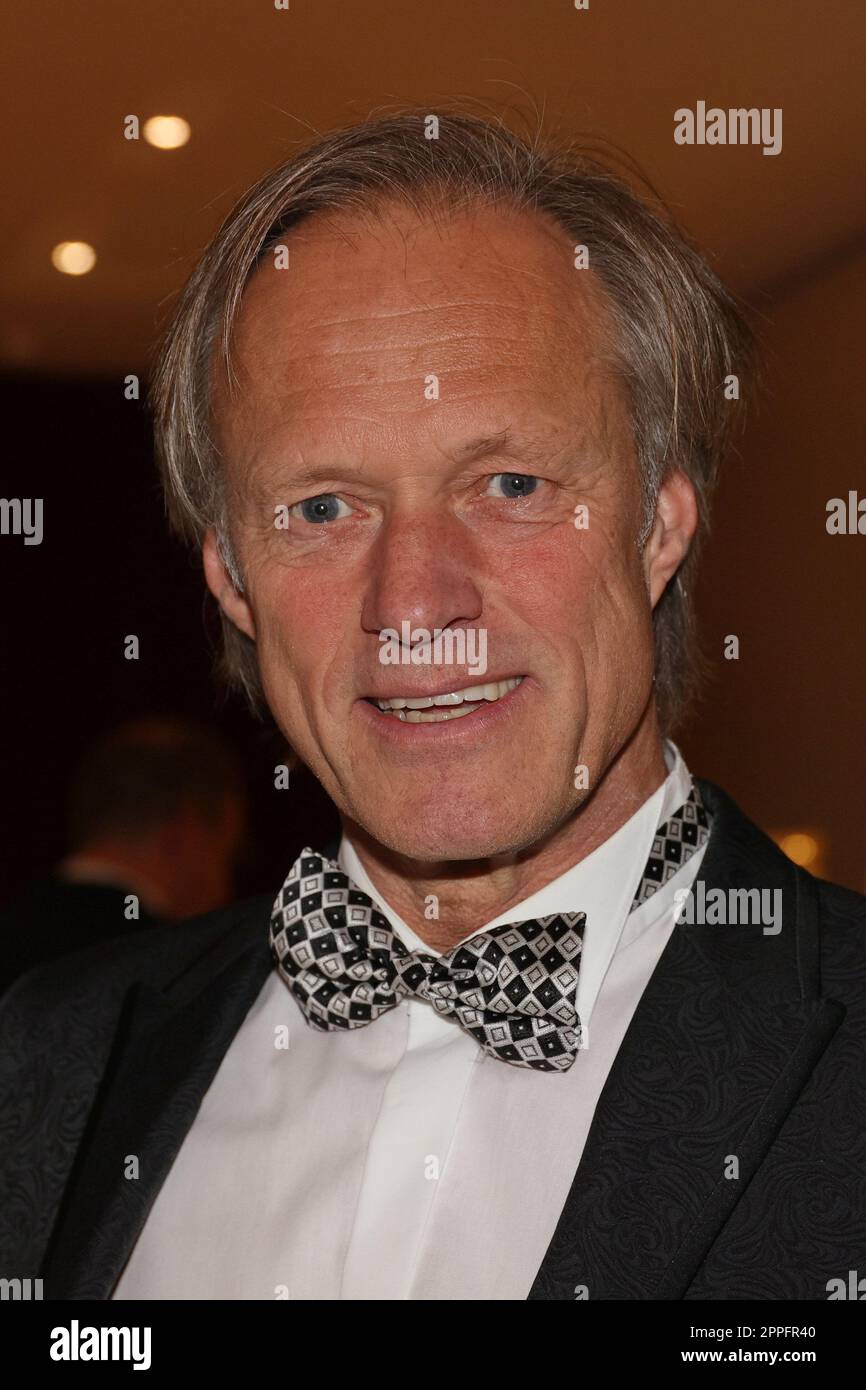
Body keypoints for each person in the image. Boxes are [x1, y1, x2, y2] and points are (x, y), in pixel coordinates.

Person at [1, 110, 863, 1301]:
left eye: (509, 483)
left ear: (657, 526)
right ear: (229, 579)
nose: (412, 602)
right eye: (321, 508)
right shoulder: (45, 1066)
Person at [0, 717, 246, 994]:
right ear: (186, 832)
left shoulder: (12, 928)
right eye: (231, 854)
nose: (226, 889)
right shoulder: (174, 967)